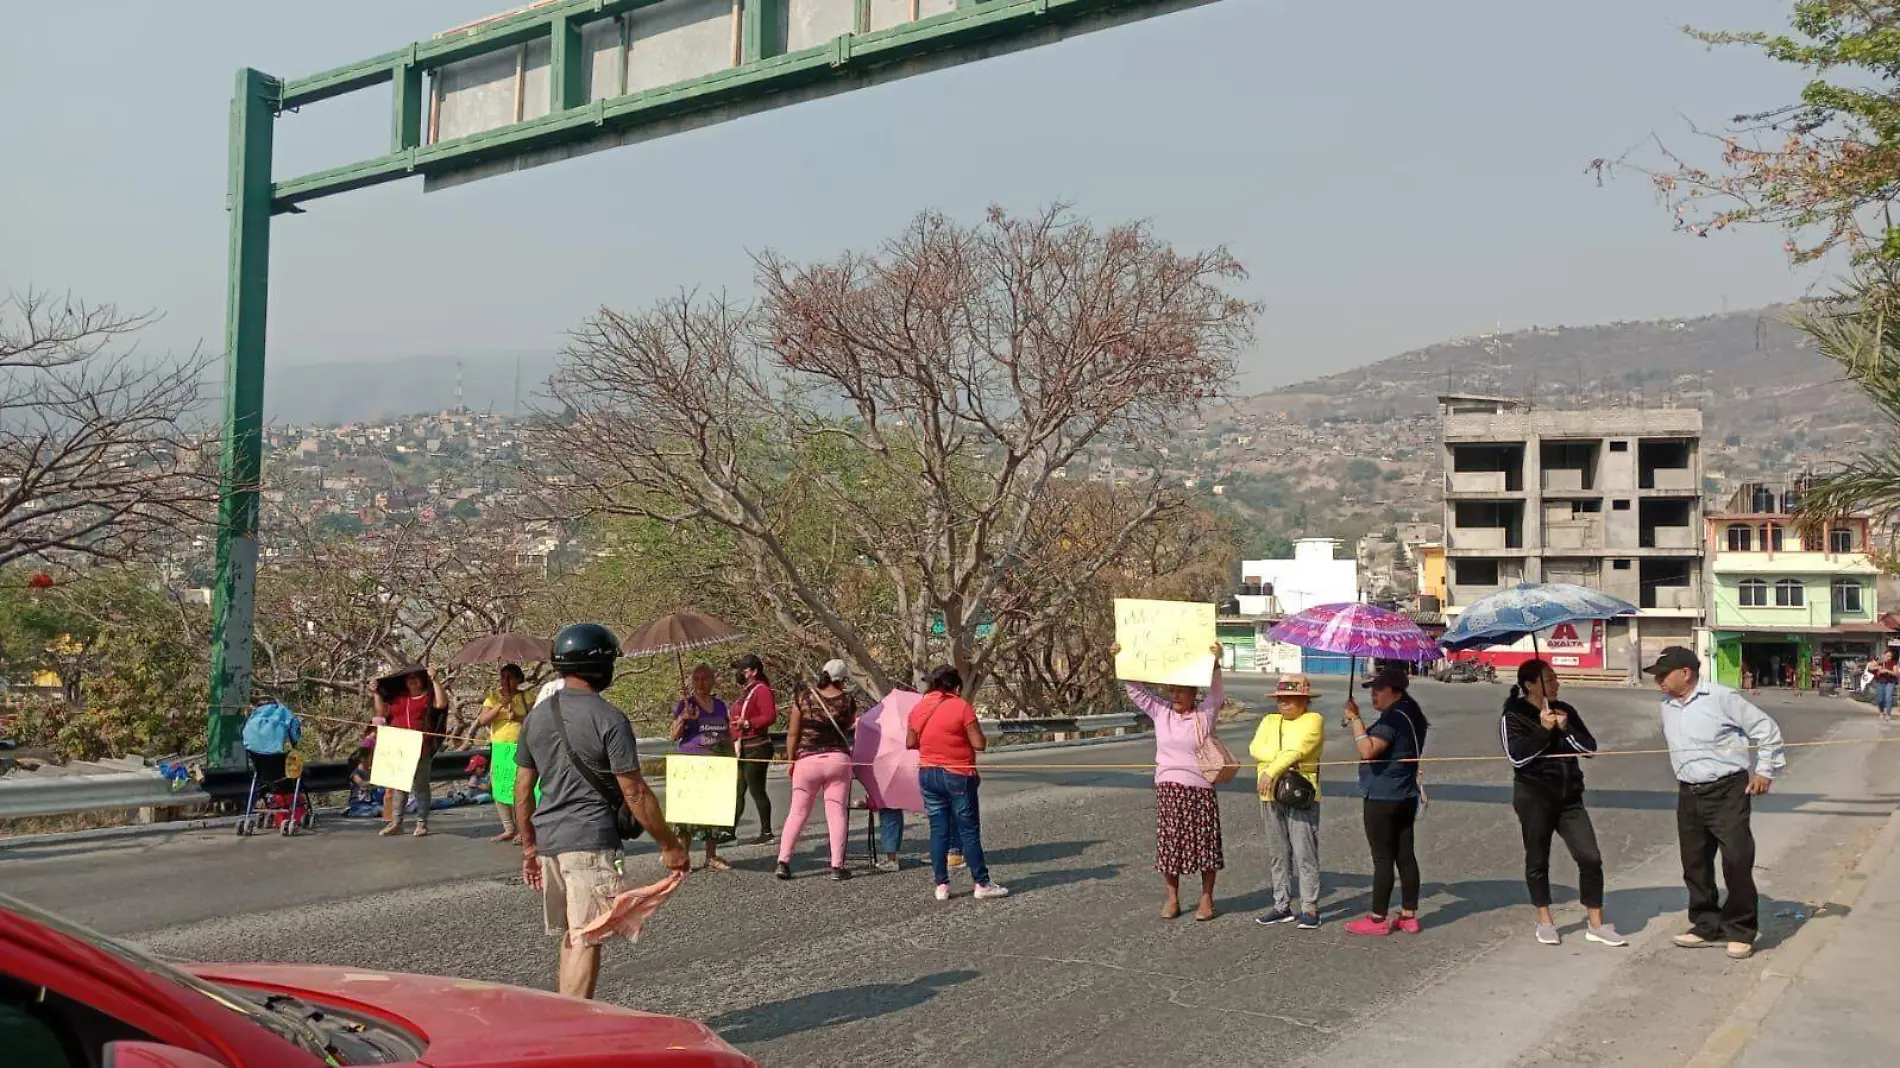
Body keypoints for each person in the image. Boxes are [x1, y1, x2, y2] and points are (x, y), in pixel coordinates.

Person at [515, 622, 688, 1000]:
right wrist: (669, 844)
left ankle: (564, 1020)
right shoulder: (610, 718)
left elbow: (523, 790)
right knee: (588, 936)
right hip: (589, 840)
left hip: (549, 843)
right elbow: (636, 792)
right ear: (600, 666)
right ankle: (573, 1032)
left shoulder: (536, 717)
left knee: (573, 934)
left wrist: (529, 847)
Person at [1646, 646, 1785, 961]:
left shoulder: (1722, 698)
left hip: (1727, 790)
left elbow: (1766, 729)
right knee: (1694, 862)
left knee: (1736, 860)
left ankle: (1740, 929)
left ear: (1686, 673)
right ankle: (1706, 923)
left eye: (1663, 675)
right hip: (1689, 792)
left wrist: (1764, 771)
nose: (1659, 682)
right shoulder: (1667, 705)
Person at [1501, 659, 1626, 948]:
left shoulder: (1565, 710)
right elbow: (1517, 757)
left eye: (1555, 678)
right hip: (1534, 798)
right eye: (1548, 679)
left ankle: (1596, 924)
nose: (1556, 683)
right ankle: (1544, 920)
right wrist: (1543, 731)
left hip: (1569, 798)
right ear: (1530, 685)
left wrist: (1565, 728)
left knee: (1590, 857)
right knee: (1538, 859)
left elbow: (1590, 749)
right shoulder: (1513, 715)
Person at [1118, 643, 1227, 922]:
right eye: (1172, 691)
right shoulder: (1161, 712)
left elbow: (1217, 693)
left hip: (1200, 790)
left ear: (1193, 693)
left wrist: (1214, 661)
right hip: (1169, 790)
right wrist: (1124, 656)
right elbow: (1136, 691)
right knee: (1169, 847)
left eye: (1181, 690)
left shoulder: (1203, 715)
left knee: (1205, 846)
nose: (1175, 696)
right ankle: (1173, 899)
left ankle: (1206, 900)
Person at [908, 665, 1008, 901]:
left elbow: (911, 742)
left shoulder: (919, 707)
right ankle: (981, 883)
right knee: (968, 829)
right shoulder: (961, 706)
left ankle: (941, 885)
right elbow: (979, 744)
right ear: (957, 686)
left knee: (937, 830)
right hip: (958, 774)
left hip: (928, 773)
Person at [1343, 667, 1429, 936]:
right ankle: (1408, 914)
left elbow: (1368, 750)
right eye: (1372, 690)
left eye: (1379, 690)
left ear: (1395, 691)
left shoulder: (1393, 719)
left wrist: (1355, 719)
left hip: (1383, 795)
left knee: (1383, 858)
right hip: (1405, 794)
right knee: (1405, 854)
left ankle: (1378, 918)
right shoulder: (1412, 712)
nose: (1374, 695)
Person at [1251, 673, 1325, 929]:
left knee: (1305, 852)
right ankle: (1281, 905)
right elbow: (1255, 749)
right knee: (1278, 854)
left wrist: (1271, 769)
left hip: (1300, 794)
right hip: (1269, 793)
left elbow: (1299, 749)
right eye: (1281, 699)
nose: (1285, 704)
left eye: (1291, 699)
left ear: (1304, 701)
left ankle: (1309, 908)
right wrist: (1282, 760)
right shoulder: (1269, 721)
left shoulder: (1313, 720)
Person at [776, 661, 859, 881]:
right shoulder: (848, 700)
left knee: (798, 812)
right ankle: (837, 866)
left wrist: (791, 760)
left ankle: (783, 862)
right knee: (836, 812)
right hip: (838, 760)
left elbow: (793, 734)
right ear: (842, 679)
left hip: (807, 760)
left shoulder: (803, 698)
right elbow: (850, 725)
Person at [670, 663, 737, 871]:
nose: (700, 683)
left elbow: (727, 734)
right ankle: (683, 859)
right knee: (687, 815)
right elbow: (673, 735)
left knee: (714, 812)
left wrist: (732, 760)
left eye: (705, 678)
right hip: (690, 763)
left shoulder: (720, 705)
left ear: (712, 680)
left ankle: (711, 855)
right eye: (696, 679)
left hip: (717, 762)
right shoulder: (685, 705)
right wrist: (683, 718)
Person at [371, 665, 448, 838]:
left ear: (422, 680)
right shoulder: (399, 698)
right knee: (399, 785)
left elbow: (442, 703)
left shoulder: (427, 697)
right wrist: (376, 693)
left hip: (420, 746)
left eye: (416, 677)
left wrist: (435, 679)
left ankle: (422, 822)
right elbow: (381, 712)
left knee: (420, 786)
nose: (412, 681)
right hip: (399, 745)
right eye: (409, 678)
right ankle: (397, 822)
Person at [477, 663, 532, 842]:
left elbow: (535, 719)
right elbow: (483, 720)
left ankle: (522, 828)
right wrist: (501, 704)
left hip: (520, 747)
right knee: (500, 787)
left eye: (510, 677)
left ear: (518, 679)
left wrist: (518, 717)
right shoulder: (493, 698)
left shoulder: (527, 696)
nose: (506, 681)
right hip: (500, 748)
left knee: (519, 788)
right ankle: (508, 827)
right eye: (503, 677)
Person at [730, 653, 779, 844]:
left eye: (743, 670)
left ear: (753, 671)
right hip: (743, 747)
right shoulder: (746, 691)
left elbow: (770, 716)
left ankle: (766, 832)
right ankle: (730, 831)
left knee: (756, 790)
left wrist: (749, 723)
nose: (739, 674)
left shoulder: (762, 690)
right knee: (738, 789)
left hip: (757, 746)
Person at [1872, 649, 1898, 723]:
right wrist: (1878, 668)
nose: (1888, 657)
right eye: (1887, 656)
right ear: (1884, 655)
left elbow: (1896, 673)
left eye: (1890, 656)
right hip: (1880, 682)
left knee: (1888, 698)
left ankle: (1888, 714)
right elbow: (1870, 667)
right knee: (1880, 699)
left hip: (1890, 682)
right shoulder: (1879, 662)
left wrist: (1887, 671)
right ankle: (1881, 712)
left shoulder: (1894, 663)